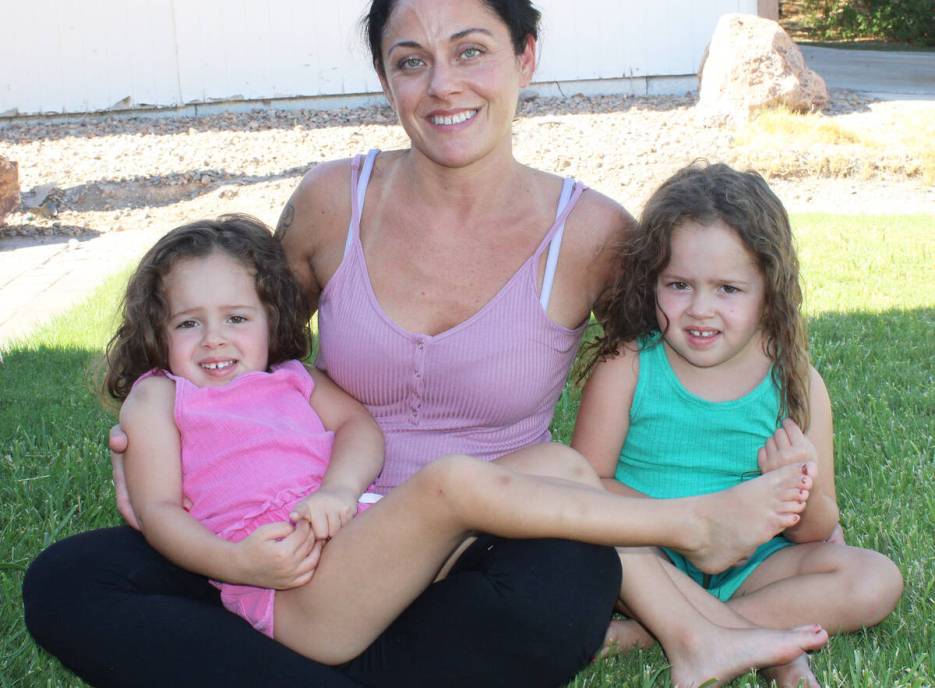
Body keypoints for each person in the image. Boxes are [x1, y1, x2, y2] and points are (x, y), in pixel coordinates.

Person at [23, 0, 821, 688]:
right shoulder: (332, 202)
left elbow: (687, 354)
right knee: (70, 580)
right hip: (300, 536)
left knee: (567, 560)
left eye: (470, 50)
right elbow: (228, 333)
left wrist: (788, 430)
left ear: (524, 55)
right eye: (411, 61)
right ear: (384, 77)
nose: (443, 86)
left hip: (481, 549)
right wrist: (142, 446)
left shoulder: (593, 234)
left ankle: (267, 670)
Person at [96, 214, 824, 672]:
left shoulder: (291, 379)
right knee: (449, 480)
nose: (215, 339)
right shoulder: (161, 395)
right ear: (157, 331)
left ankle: (701, 637)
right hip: (295, 596)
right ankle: (693, 524)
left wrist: (339, 491)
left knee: (562, 465)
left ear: (270, 315)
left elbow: (358, 428)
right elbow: (157, 512)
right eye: (189, 322)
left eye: (235, 317)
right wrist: (237, 562)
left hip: (360, 544)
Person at [572, 162, 904, 688]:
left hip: (758, 569)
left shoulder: (796, 382)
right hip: (650, 560)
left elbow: (817, 530)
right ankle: (731, 632)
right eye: (679, 284)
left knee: (874, 579)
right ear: (650, 281)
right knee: (588, 537)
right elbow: (582, 488)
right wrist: (691, 521)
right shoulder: (630, 365)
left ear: (768, 291)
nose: (701, 309)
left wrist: (803, 484)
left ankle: (666, 632)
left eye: (728, 289)